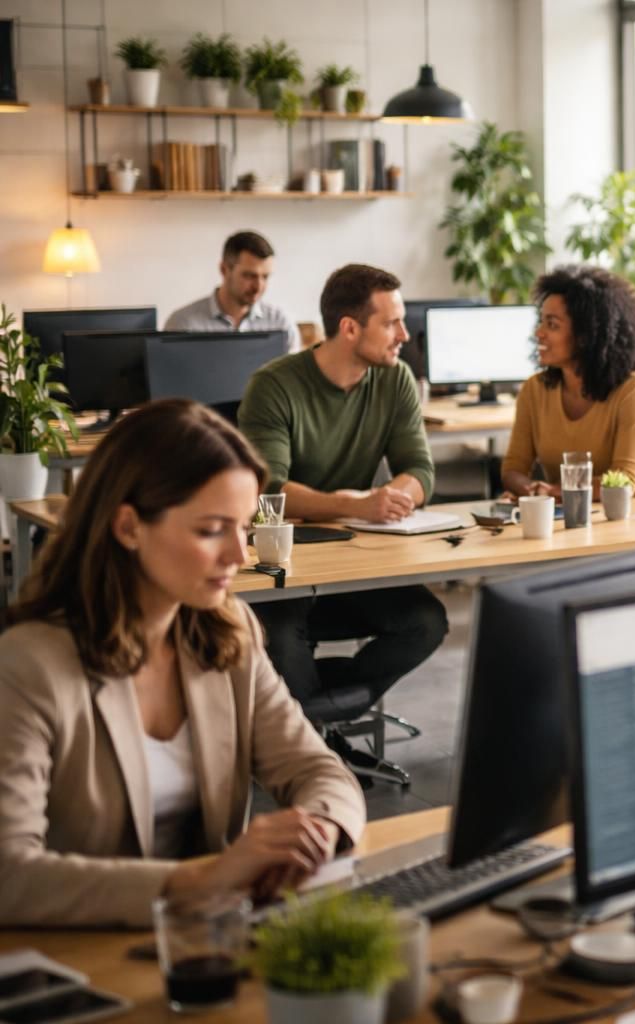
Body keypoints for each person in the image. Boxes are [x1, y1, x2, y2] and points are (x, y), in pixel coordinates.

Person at [0, 400, 365, 928]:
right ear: (128, 526)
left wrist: (318, 831)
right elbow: (10, 876)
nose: (239, 554)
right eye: (211, 529)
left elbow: (317, 769)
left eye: (243, 527)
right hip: (81, 956)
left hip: (208, 944)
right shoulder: (29, 665)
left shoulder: (227, 630)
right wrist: (199, 881)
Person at [238, 264, 447, 775]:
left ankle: (309, 726)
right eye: (392, 323)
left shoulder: (394, 378)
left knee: (426, 622)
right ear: (350, 328)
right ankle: (315, 750)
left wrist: (400, 492)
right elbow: (267, 493)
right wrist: (354, 504)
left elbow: (420, 468)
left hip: (350, 568)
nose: (404, 334)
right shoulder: (273, 386)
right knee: (282, 640)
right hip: (280, 569)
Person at [500, 265, 635, 503]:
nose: (539, 333)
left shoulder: (634, 389)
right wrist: (531, 490)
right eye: (541, 321)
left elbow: (623, 480)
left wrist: (553, 492)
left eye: (552, 324)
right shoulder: (534, 390)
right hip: (568, 520)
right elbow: (513, 469)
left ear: (586, 335)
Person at [165, 230, 302, 352]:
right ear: (224, 270)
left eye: (265, 277)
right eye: (249, 276)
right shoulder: (183, 324)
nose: (258, 287)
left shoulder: (281, 323)